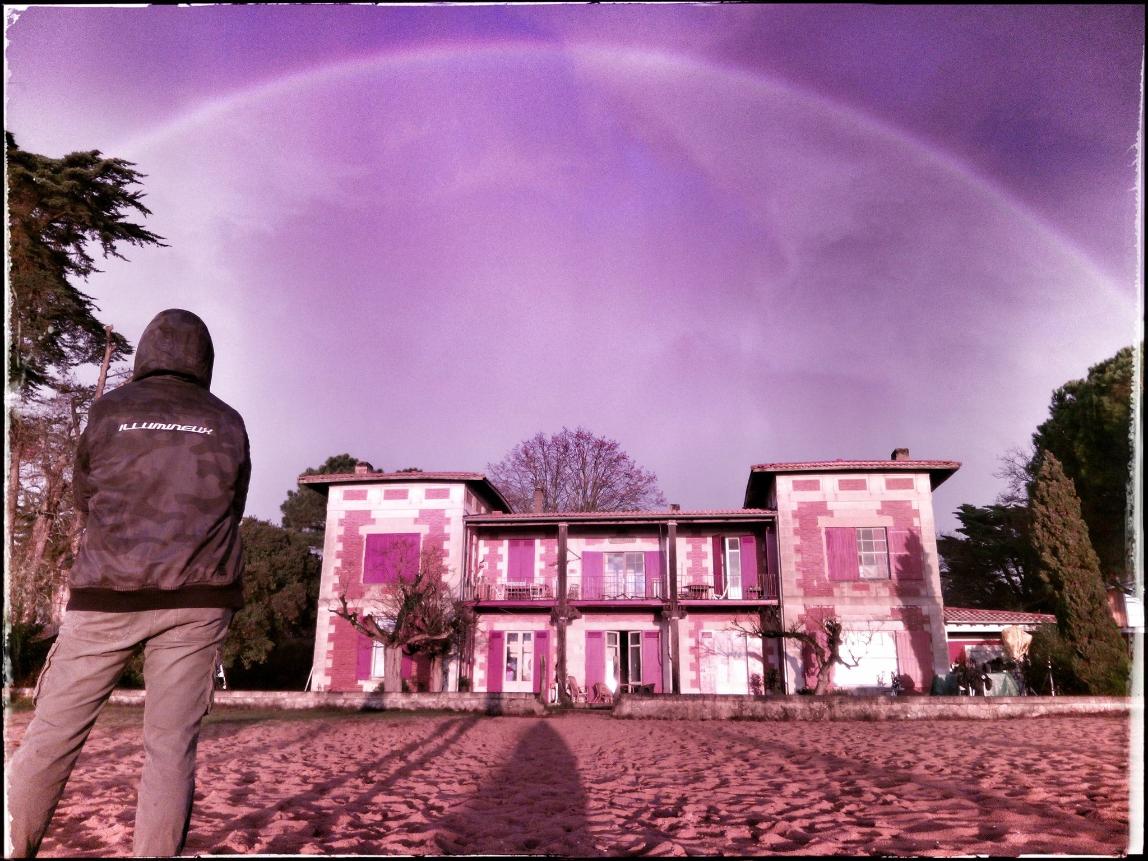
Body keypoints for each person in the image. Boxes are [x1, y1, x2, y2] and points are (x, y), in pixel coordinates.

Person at [6, 309, 250, 858]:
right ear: (205, 360)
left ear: (145, 353)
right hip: (198, 600)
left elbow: (84, 497)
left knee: (51, 736)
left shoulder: (108, 411)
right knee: (170, 750)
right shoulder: (229, 421)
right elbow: (233, 506)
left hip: (106, 595)